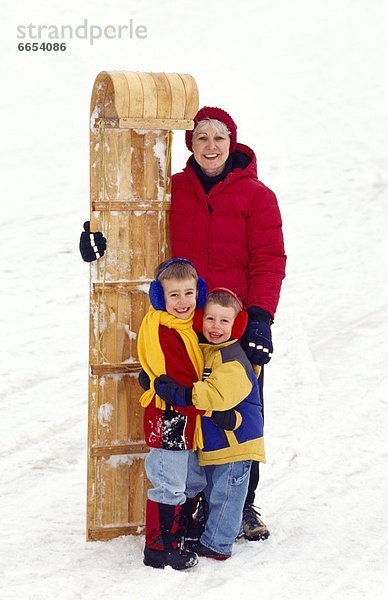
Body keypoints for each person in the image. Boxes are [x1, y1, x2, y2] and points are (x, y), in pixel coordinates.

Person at [80, 106, 286, 539]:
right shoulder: (170, 190)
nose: (211, 147)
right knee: (188, 410)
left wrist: (261, 320)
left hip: (234, 325)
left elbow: (269, 260)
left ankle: (241, 505)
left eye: (219, 138)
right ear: (189, 143)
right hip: (184, 323)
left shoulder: (258, 196)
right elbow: (134, 226)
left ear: (233, 143)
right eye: (202, 138)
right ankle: (190, 503)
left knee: (238, 415)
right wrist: (100, 238)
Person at [153, 288, 265, 559]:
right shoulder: (204, 350)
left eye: (224, 321)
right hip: (216, 442)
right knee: (214, 491)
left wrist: (177, 393)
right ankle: (221, 529)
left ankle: (218, 543)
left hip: (236, 444)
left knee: (226, 495)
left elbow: (212, 395)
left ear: (236, 325)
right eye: (211, 319)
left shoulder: (234, 361)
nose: (216, 327)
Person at [136, 257, 207, 570]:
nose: (183, 302)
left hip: (184, 418)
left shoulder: (186, 328)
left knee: (192, 477)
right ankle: (159, 547)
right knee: (169, 480)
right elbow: (178, 381)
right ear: (159, 298)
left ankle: (182, 531)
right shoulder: (166, 331)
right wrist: (208, 402)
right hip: (169, 416)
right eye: (174, 295)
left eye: (189, 293)